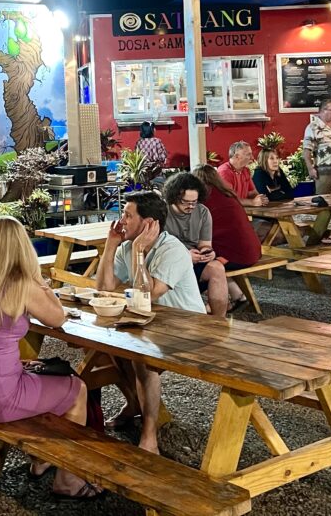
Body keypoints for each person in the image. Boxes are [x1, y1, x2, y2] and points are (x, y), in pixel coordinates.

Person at [0, 216, 96, 498]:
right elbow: (57, 317)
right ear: (22, 247)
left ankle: (42, 460)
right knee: (77, 388)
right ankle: (68, 478)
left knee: (41, 373)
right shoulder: (21, 284)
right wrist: (41, 281)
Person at [96, 191, 205, 453]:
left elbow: (148, 292)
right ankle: (135, 405)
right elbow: (104, 287)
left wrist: (138, 252)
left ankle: (149, 434)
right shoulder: (125, 246)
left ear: (148, 223)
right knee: (108, 349)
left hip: (188, 326)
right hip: (150, 321)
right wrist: (111, 245)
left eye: (127, 215)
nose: (121, 220)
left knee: (142, 359)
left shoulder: (173, 250)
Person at [161, 172, 231, 317]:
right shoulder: (162, 213)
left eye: (194, 202)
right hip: (168, 262)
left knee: (217, 268)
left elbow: (205, 244)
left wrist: (207, 252)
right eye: (185, 202)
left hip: (194, 259)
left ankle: (219, 322)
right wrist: (184, 256)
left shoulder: (203, 212)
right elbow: (158, 249)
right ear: (174, 197)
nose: (191, 206)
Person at [197, 165, 263, 309]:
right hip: (253, 250)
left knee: (202, 265)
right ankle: (237, 295)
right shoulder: (227, 195)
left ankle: (214, 304)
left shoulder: (204, 200)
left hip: (235, 255)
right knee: (214, 257)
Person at [303, 98, 331, 194]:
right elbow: (306, 150)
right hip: (324, 173)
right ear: (324, 110)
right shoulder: (313, 127)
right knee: (325, 200)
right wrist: (310, 169)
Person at [216, 141, 268, 207]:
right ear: (237, 156)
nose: (252, 158)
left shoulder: (245, 171)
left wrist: (260, 199)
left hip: (241, 211)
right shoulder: (224, 172)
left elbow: (252, 193)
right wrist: (252, 202)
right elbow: (229, 199)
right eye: (248, 154)